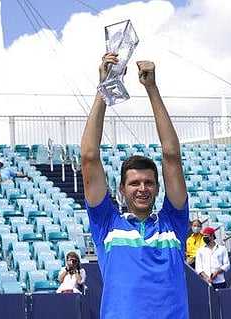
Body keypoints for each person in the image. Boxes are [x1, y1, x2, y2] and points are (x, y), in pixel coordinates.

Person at [81, 52, 189, 319]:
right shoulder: (106, 223)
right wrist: (104, 88)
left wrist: (151, 88)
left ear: (158, 187)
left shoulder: (173, 223)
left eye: (149, 182)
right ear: (121, 189)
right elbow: (89, 156)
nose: (142, 188)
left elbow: (172, 156)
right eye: (134, 183)